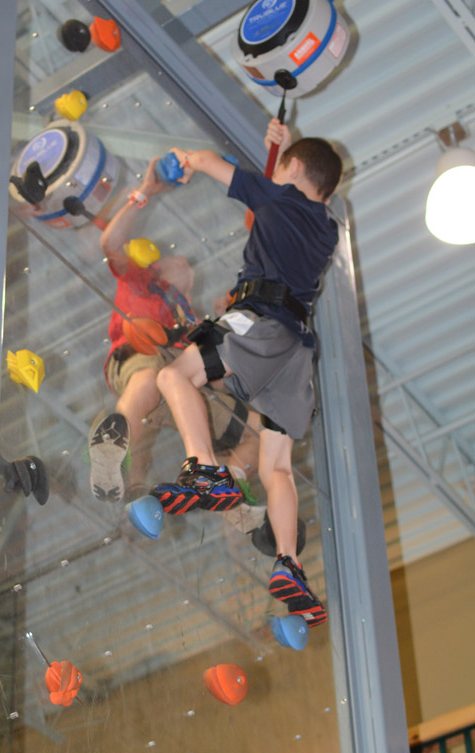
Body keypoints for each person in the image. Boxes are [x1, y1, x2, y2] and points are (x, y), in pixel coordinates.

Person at [151, 119, 342, 627]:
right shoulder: (326, 229)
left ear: (293, 170)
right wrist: (278, 153)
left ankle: (205, 469)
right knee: (275, 467)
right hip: (295, 353)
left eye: (284, 167)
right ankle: (289, 563)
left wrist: (187, 159)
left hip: (258, 324)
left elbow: (218, 165)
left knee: (173, 378)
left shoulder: (278, 199)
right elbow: (289, 195)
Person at [89, 158, 265, 536]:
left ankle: (228, 491)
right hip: (142, 358)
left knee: (260, 429)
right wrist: (145, 192)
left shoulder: (194, 324)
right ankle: (119, 463)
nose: (183, 259)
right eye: (173, 259)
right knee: (150, 378)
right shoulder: (142, 280)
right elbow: (111, 243)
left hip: (181, 386)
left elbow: (218, 380)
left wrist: (227, 325)